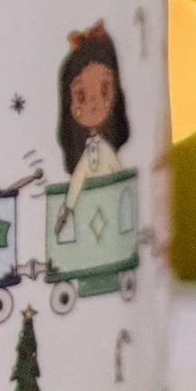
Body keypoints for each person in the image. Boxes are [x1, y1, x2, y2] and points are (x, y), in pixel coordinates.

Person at [55, 23, 130, 235]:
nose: (94, 104)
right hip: (91, 220)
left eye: (104, 90)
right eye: (81, 96)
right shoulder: (89, 154)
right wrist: (67, 210)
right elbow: (78, 179)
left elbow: (120, 178)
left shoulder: (104, 150)